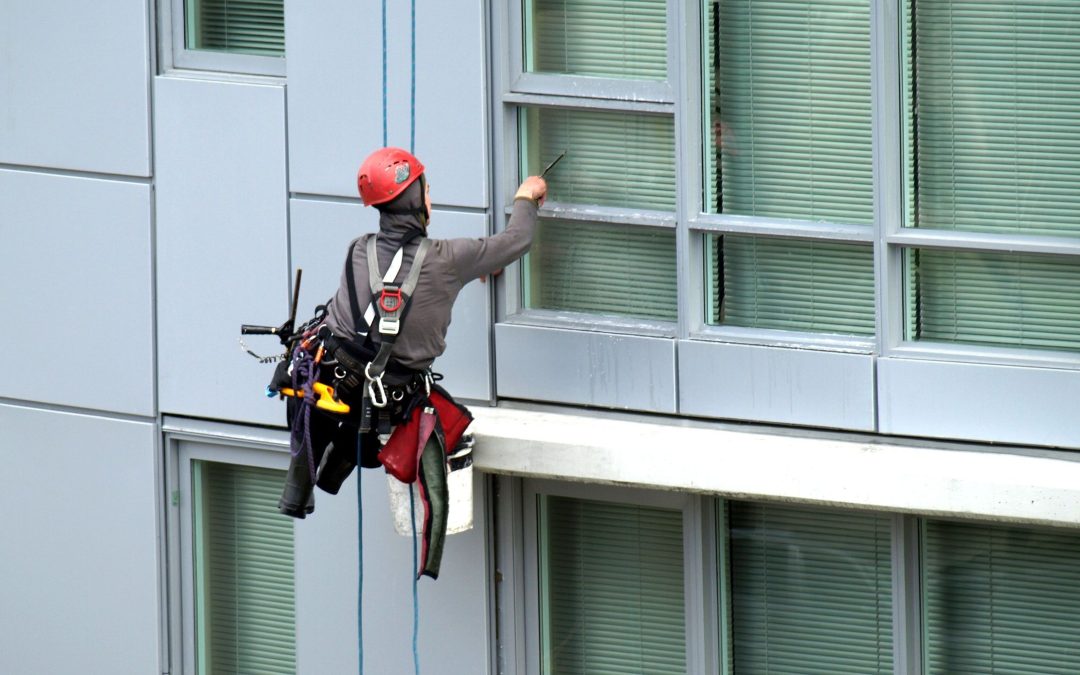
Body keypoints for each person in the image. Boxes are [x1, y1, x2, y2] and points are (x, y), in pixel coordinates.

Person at [276, 147, 546, 576]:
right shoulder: (450, 258)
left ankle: (300, 486)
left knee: (326, 387)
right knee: (452, 425)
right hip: (392, 403)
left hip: (332, 390)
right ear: (416, 198)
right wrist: (526, 197)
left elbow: (371, 299)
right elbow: (516, 241)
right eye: (427, 189)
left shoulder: (357, 251)